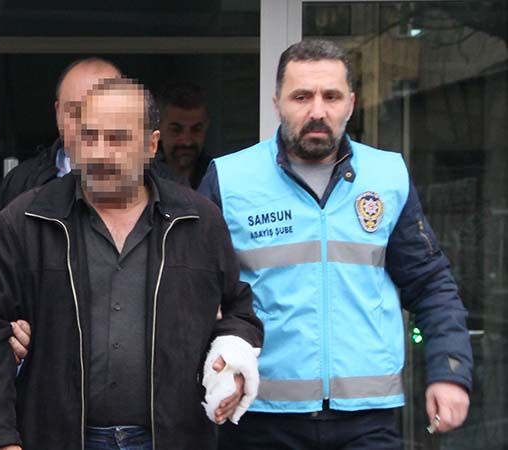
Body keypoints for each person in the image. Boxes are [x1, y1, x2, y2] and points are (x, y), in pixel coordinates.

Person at [199, 39, 473, 449]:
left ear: (351, 103)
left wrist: (450, 372)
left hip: (367, 420)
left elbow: (430, 284)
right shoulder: (230, 179)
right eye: (301, 97)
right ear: (277, 103)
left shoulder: (386, 177)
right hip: (258, 416)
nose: (317, 111)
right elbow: (194, 292)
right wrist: (217, 370)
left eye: (331, 96)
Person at [0, 78, 264, 450]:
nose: (101, 153)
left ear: (151, 145)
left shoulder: (198, 221)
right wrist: (1, 440)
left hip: (172, 437)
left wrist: (233, 359)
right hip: (57, 437)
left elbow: (238, 311)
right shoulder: (26, 221)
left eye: (118, 138)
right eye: (89, 137)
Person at [0, 58, 122, 215]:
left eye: (102, 111)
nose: (88, 124)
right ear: (58, 112)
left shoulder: (148, 182)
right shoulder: (20, 182)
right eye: (76, 112)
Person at [155, 82, 212, 189]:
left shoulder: (217, 176)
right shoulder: (142, 177)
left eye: (196, 129)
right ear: (158, 129)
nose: (187, 142)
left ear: (206, 127)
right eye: (176, 130)